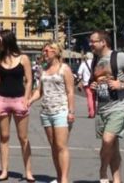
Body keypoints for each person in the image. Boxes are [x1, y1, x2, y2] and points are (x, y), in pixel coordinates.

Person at [88, 30, 124, 183]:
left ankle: (102, 171)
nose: (90, 44)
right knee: (113, 146)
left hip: (119, 106)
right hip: (103, 108)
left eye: (93, 41)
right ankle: (117, 179)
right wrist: (93, 85)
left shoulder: (119, 57)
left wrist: (122, 85)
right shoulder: (95, 60)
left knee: (107, 140)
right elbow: (94, 81)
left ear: (103, 42)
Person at [0, 29, 34, 181]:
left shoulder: (23, 59)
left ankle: (28, 171)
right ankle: (4, 171)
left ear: (7, 41)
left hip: (19, 99)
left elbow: (29, 80)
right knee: (4, 137)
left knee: (23, 138)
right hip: (2, 100)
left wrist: (27, 99)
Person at [29, 42, 75, 183]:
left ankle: (64, 179)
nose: (44, 53)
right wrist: (30, 100)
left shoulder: (64, 69)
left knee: (61, 146)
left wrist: (71, 111)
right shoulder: (43, 69)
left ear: (56, 52)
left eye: (47, 50)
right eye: (44, 51)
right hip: (46, 111)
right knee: (54, 146)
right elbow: (39, 91)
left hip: (61, 110)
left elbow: (70, 91)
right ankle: (59, 176)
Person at [77, 52, 96, 118]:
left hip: (87, 83)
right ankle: (95, 111)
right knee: (94, 97)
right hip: (95, 82)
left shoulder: (84, 64)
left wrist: (80, 78)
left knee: (89, 97)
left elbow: (79, 72)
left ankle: (91, 113)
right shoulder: (95, 62)